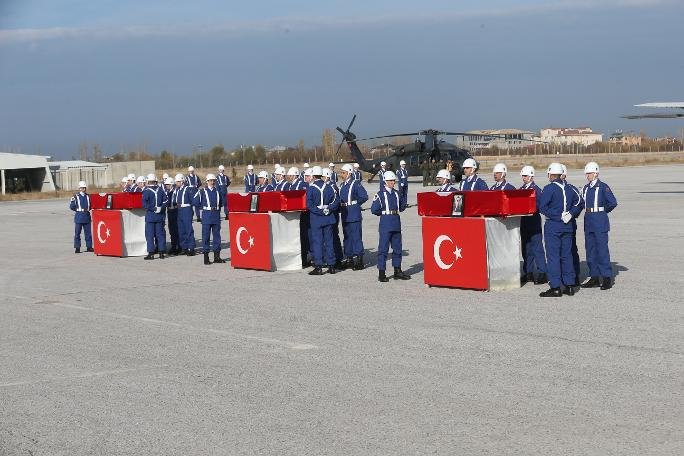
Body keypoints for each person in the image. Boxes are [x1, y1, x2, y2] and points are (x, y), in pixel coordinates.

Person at [538, 162, 581, 297]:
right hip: (567, 226)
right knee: (567, 255)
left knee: (553, 257)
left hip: (553, 226)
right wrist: (571, 214)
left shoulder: (549, 188)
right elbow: (579, 202)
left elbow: (542, 207)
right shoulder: (569, 189)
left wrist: (558, 216)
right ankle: (569, 285)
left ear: (551, 174)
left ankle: (556, 286)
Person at [580, 162, 618, 290]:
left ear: (596, 173)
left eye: (589, 173)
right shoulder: (585, 188)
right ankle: (594, 277)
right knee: (590, 250)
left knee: (602, 250)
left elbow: (612, 202)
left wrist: (602, 211)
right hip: (588, 220)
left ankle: (607, 277)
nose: (588, 176)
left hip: (599, 220)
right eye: (587, 173)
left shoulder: (603, 187)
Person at [371, 171, 410, 282]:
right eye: (390, 181)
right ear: (385, 181)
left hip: (396, 221)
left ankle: (397, 270)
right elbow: (374, 209)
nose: (393, 182)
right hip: (386, 222)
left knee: (397, 248)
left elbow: (402, 206)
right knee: (383, 248)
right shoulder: (380, 194)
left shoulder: (397, 193)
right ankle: (382, 272)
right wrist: (383, 213)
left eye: (393, 180)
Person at [306, 166, 340, 275]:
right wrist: (328, 209)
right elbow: (336, 201)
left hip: (316, 218)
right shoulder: (329, 187)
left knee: (317, 242)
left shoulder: (311, 188)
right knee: (329, 242)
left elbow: (309, 204)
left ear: (313, 175)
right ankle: (331, 266)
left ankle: (319, 266)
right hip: (328, 217)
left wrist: (319, 211)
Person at [519, 166, 547, 285]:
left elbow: (541, 206)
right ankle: (528, 272)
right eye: (523, 176)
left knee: (537, 248)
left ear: (531, 176)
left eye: (525, 176)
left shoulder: (537, 190)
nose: (523, 178)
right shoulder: (520, 189)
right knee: (526, 248)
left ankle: (542, 273)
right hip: (524, 220)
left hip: (533, 220)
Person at [339, 164, 369, 270]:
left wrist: (355, 205)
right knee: (347, 238)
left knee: (356, 237)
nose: (341, 174)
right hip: (345, 214)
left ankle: (359, 260)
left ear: (349, 173)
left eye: (343, 172)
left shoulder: (355, 184)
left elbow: (364, 196)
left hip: (353, 214)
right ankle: (349, 259)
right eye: (341, 172)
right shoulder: (342, 185)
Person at [193, 173, 226, 265]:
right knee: (206, 237)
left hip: (216, 215)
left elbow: (221, 203)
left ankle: (217, 256)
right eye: (210, 181)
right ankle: (206, 257)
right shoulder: (202, 191)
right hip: (207, 215)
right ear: (207, 181)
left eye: (213, 181)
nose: (212, 182)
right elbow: (195, 201)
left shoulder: (217, 191)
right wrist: (203, 207)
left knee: (217, 237)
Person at [561, 164, 584, 285]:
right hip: (557, 224)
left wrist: (572, 214)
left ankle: (575, 275)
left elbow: (580, 204)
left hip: (569, 223)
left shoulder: (571, 188)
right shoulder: (552, 187)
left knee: (571, 250)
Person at [142, 174, 168, 260]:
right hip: (159, 216)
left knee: (150, 235)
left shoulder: (146, 191)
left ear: (148, 181)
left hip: (150, 216)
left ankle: (151, 253)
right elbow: (166, 201)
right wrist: (161, 208)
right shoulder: (160, 190)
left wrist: (153, 208)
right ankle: (161, 253)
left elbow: (145, 205)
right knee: (160, 235)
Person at [323, 168, 343, 266]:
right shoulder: (329, 186)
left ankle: (338, 258)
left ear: (327, 176)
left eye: (323, 176)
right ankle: (336, 257)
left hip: (333, 214)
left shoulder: (332, 186)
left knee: (334, 236)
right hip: (331, 213)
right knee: (332, 236)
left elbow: (336, 201)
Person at [174, 173, 196, 256]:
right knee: (181, 230)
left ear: (182, 181)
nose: (176, 183)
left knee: (188, 229)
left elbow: (192, 201)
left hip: (186, 209)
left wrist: (190, 211)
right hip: (179, 210)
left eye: (178, 181)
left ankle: (191, 248)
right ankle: (184, 247)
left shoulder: (188, 189)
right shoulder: (178, 189)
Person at [70, 181, 93, 253]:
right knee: (77, 233)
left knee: (88, 233)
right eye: (82, 188)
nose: (83, 189)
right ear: (79, 188)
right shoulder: (75, 197)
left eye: (84, 188)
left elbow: (91, 205)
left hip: (86, 216)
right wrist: (78, 210)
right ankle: (77, 247)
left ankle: (89, 247)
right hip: (79, 216)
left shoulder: (88, 196)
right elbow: (72, 206)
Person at [164, 177, 180, 256]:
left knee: (176, 229)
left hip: (175, 211)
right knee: (171, 230)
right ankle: (173, 246)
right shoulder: (167, 192)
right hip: (169, 211)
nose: (167, 186)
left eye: (168, 185)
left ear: (172, 185)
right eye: (166, 185)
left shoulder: (176, 191)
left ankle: (178, 247)